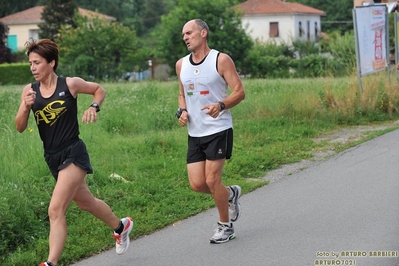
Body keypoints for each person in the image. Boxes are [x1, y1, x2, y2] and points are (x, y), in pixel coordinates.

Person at [15, 39, 134, 266]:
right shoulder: (29, 90)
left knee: (55, 209)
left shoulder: (69, 84)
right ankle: (122, 226)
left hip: (73, 152)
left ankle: (51, 263)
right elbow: (20, 127)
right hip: (52, 156)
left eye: (37, 62)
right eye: (30, 63)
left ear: (51, 62)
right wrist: (25, 106)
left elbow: (99, 90)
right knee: (86, 202)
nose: (32, 67)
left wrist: (93, 106)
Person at [175, 19, 246, 244]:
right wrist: (183, 111)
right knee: (197, 184)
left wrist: (221, 105)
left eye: (189, 33)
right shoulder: (181, 65)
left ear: (203, 33)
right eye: (183, 34)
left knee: (212, 179)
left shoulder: (221, 60)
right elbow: (181, 94)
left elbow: (239, 92)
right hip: (195, 133)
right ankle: (230, 194)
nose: (185, 37)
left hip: (218, 129)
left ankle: (225, 226)